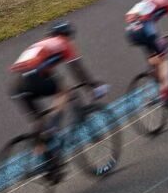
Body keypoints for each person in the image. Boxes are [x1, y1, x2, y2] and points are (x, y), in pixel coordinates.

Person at [10, 22, 105, 174]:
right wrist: (91, 86)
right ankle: (53, 128)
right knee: (65, 93)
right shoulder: (63, 43)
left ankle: (44, 161)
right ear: (67, 35)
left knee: (39, 122)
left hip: (17, 85)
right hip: (34, 78)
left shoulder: (40, 45)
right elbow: (77, 69)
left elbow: (45, 72)